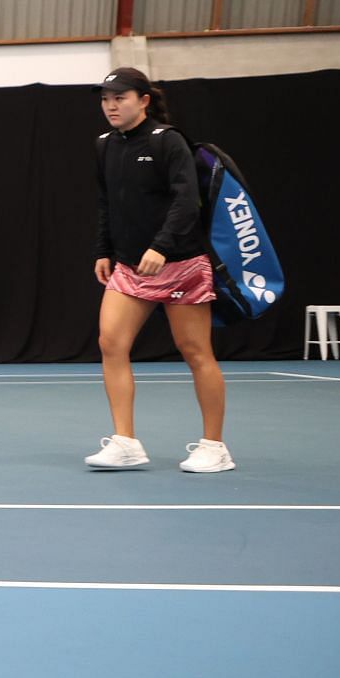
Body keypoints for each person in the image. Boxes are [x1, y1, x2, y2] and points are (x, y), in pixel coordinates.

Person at [85, 68, 234, 473]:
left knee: (196, 352)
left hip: (181, 264)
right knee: (110, 342)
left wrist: (161, 247)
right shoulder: (104, 146)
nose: (111, 106)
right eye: (105, 99)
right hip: (130, 268)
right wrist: (104, 249)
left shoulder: (168, 142)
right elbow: (107, 203)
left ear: (144, 100)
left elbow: (188, 203)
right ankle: (126, 442)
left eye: (120, 97)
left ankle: (215, 447)